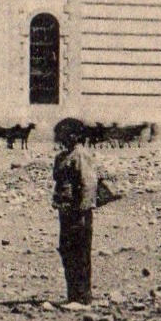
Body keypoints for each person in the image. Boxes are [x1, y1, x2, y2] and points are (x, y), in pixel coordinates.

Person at [51, 119, 104, 308]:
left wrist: (82, 211)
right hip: (66, 211)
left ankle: (82, 297)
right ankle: (72, 295)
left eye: (64, 134)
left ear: (74, 135)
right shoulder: (65, 156)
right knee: (67, 251)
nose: (60, 138)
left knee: (79, 252)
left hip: (78, 212)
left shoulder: (81, 155)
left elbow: (88, 184)